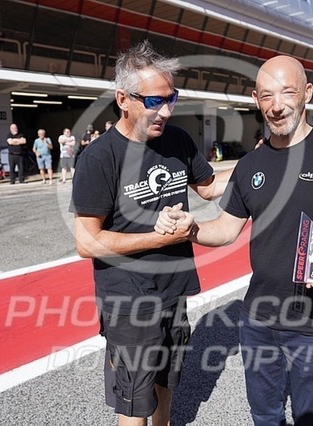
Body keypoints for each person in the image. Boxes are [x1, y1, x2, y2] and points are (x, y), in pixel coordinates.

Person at [155, 55, 313, 426]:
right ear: (256, 100)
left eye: (287, 92)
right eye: (266, 96)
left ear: (307, 93)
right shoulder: (251, 164)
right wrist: (191, 227)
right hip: (257, 321)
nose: (277, 106)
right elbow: (226, 228)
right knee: (264, 416)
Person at [70, 40, 232, 426]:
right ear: (122, 100)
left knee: (166, 382)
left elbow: (209, 186)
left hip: (173, 288)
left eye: (171, 98)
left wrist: (267, 160)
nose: (167, 111)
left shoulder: (177, 140)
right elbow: (87, 242)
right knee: (134, 400)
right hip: (129, 300)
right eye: (155, 101)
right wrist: (162, 238)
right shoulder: (99, 158)